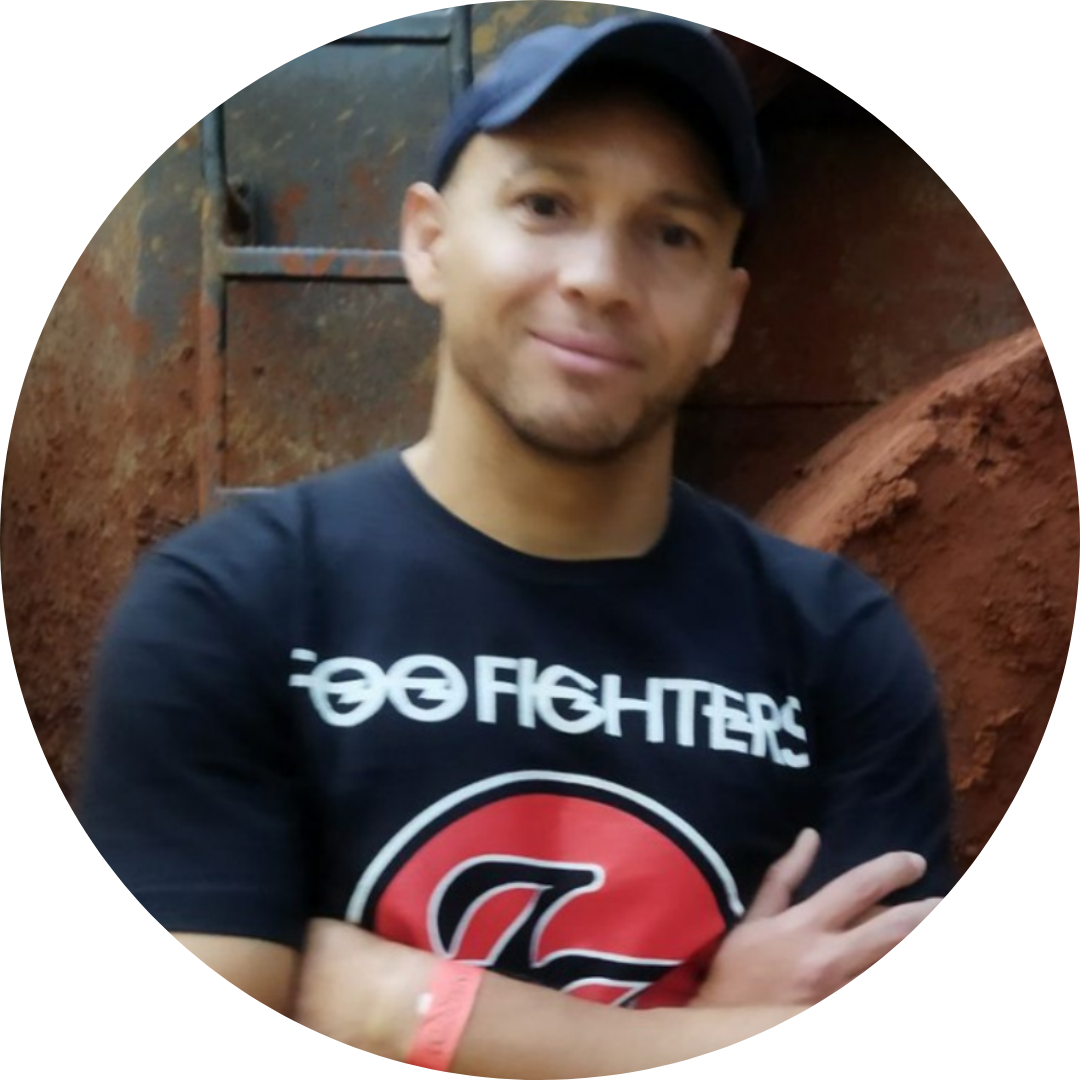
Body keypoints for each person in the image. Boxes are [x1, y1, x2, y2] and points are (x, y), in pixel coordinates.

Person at [78, 15, 953, 1075]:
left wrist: (413, 1011)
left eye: (670, 231)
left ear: (726, 312)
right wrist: (707, 1027)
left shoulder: (842, 645)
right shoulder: (229, 606)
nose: (599, 276)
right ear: (429, 239)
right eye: (546, 204)